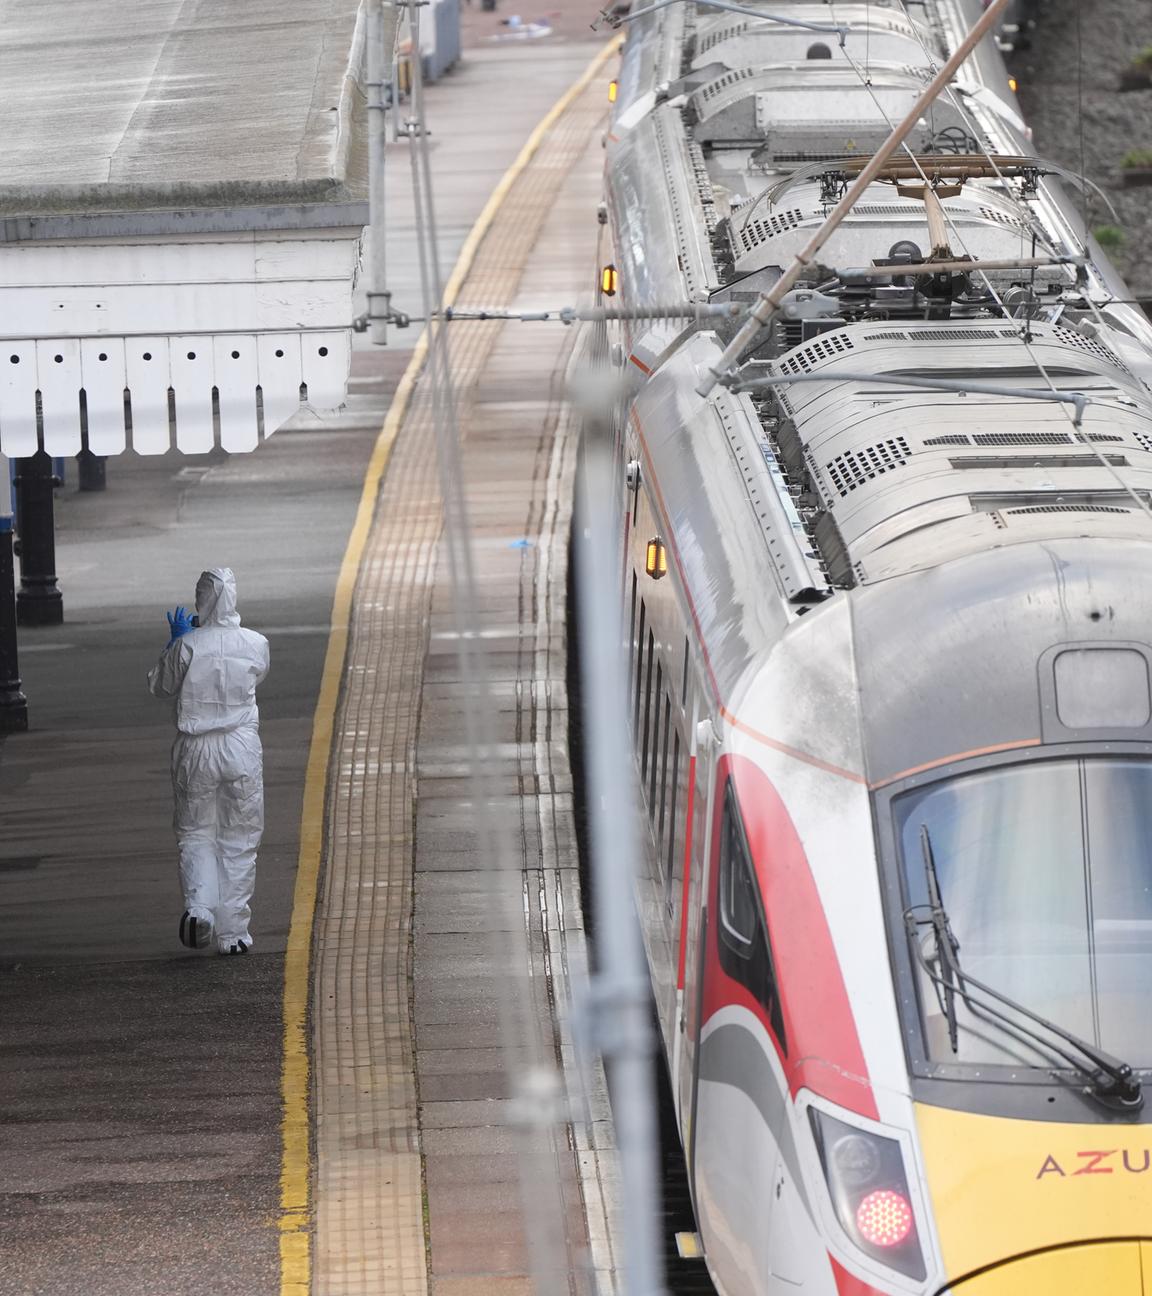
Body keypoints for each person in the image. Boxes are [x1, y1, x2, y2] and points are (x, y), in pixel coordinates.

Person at [148, 568, 270, 955]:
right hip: (241, 746)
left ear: (200, 599)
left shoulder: (188, 646)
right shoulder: (255, 643)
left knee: (196, 832)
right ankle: (233, 934)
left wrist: (176, 644)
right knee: (239, 839)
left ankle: (200, 910)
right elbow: (257, 678)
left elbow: (160, 686)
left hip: (195, 749)